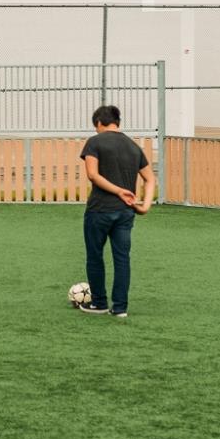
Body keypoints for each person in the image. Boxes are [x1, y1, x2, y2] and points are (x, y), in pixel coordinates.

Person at [76, 105, 152, 318]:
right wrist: (145, 204)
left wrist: (119, 190)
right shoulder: (133, 146)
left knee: (95, 256)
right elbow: (150, 178)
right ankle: (120, 308)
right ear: (117, 122)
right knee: (122, 258)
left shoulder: (94, 142)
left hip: (99, 210)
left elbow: (92, 174)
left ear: (99, 123)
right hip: (125, 213)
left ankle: (99, 303)